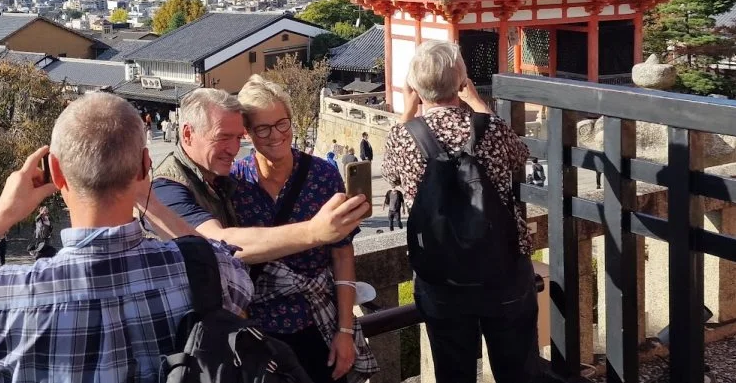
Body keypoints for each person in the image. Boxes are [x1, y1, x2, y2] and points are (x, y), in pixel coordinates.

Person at [0, 92, 253, 383]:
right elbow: (233, 270)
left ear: (56, 171)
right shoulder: (207, 271)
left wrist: (0, 218)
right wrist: (153, 205)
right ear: (146, 166)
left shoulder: (7, 299)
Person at [383, 40, 539, 383]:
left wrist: (408, 112)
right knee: (519, 370)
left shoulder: (403, 139)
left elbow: (391, 172)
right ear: (461, 80)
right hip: (503, 267)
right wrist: (479, 105)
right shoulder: (491, 129)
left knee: (454, 372)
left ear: (414, 86)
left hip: (441, 275)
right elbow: (520, 157)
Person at [233, 75, 378, 383]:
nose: (276, 135)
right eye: (263, 128)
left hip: (316, 320)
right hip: (259, 329)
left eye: (282, 123)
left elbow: (341, 255)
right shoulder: (235, 183)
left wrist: (344, 331)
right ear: (247, 132)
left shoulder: (322, 176)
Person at [151, 88, 370, 264]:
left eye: (238, 138)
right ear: (188, 134)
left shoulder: (220, 179)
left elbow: (342, 252)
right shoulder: (166, 188)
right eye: (223, 137)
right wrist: (315, 231)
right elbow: (220, 243)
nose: (234, 149)